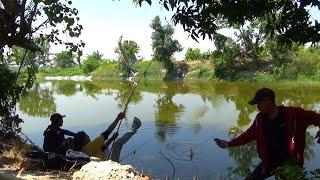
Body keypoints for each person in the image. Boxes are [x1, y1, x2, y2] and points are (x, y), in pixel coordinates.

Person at [214, 87, 320, 179]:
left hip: (291, 163)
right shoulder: (260, 120)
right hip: (269, 163)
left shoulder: (293, 114)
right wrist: (228, 144)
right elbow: (247, 136)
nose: (257, 106)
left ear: (269, 101)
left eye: (259, 103)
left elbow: (317, 118)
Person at [72, 112, 141, 162]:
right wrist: (118, 118)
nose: (88, 137)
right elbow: (107, 133)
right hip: (109, 166)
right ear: (84, 140)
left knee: (103, 142)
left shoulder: (83, 151)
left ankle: (133, 128)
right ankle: (134, 128)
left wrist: (112, 138)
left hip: (102, 159)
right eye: (87, 136)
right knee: (117, 144)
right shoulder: (89, 147)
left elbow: (102, 148)